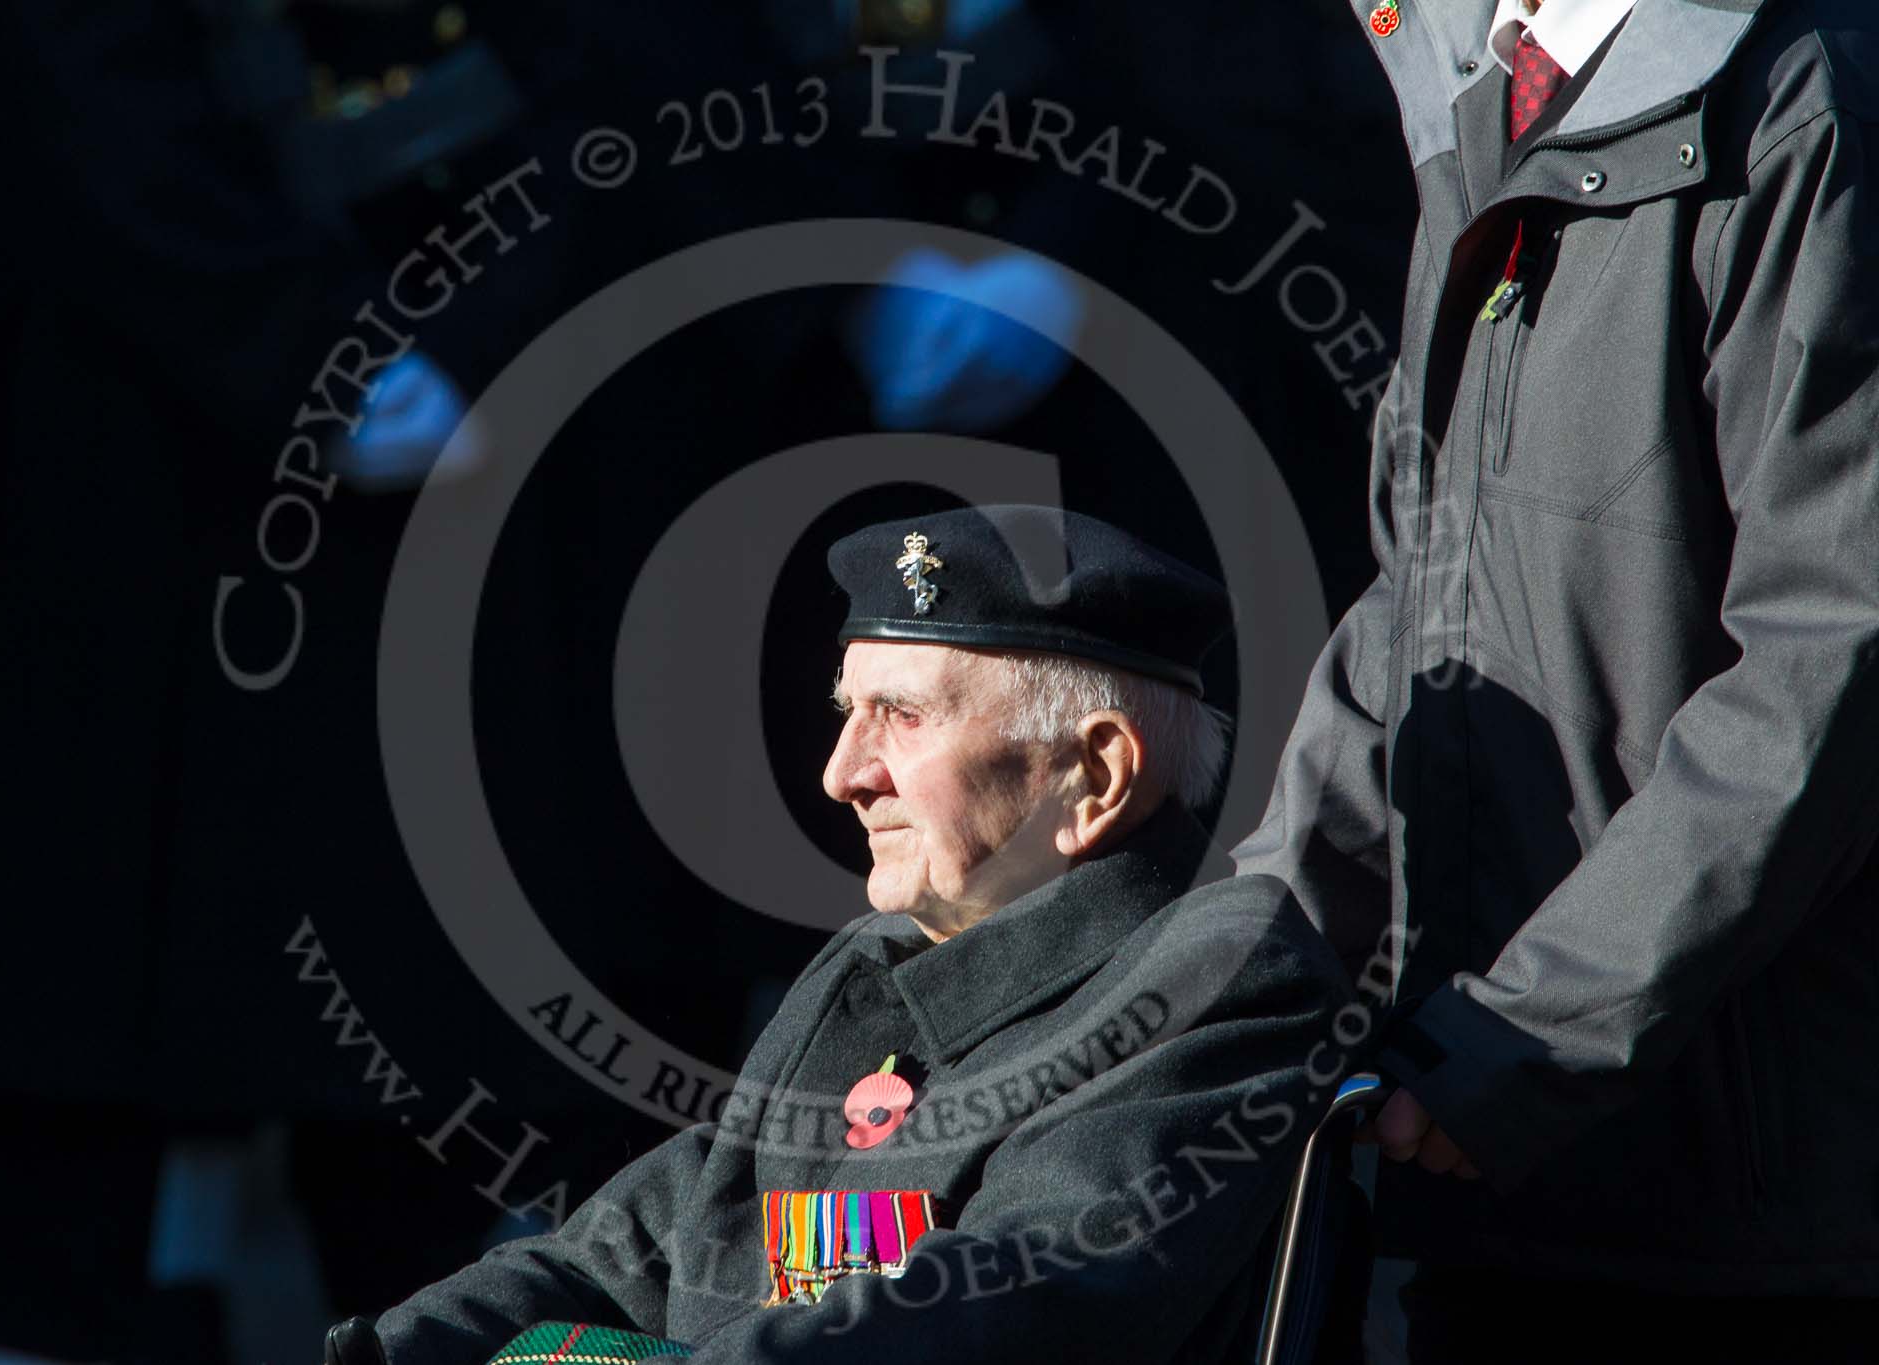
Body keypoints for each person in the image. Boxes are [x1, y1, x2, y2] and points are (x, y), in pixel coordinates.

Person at [1233, 0, 1878, 1357]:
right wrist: (1225, 985)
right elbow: (1426, 604)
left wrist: (1534, 1033)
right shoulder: (1482, 86)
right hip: (1506, 1173)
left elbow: (1835, 656)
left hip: (1747, 1222)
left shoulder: (1809, 96)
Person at [338, 505, 1354, 1364]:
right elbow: (645, 1248)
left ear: (1092, 774)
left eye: (900, 716)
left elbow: (1003, 1307)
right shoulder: (882, 967)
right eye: (847, 712)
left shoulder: (1216, 981)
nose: (841, 772)